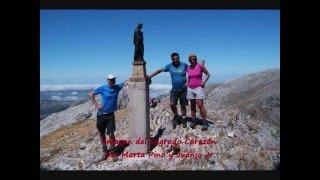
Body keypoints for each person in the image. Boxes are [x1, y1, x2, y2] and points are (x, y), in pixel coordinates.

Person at [88, 74, 128, 161]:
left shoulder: (117, 87)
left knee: (111, 134)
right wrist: (96, 105)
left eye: (114, 79)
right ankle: (105, 151)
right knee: (102, 134)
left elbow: (125, 82)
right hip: (101, 115)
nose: (113, 81)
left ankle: (113, 152)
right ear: (107, 80)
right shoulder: (103, 88)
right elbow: (91, 94)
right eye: (111, 79)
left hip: (110, 115)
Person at [148, 52, 188, 129]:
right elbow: (160, 70)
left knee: (183, 105)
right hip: (174, 89)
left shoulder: (184, 65)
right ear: (172, 59)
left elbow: (191, 72)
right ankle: (176, 115)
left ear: (179, 58)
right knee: (172, 104)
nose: (176, 60)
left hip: (183, 89)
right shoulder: (169, 66)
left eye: (177, 58)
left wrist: (188, 81)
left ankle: (184, 119)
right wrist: (150, 76)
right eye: (174, 59)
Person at [186, 54, 211, 131]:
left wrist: (203, 82)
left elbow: (208, 74)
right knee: (192, 105)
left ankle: (205, 122)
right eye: (191, 59)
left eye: (194, 59)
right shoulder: (188, 68)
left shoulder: (200, 66)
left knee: (200, 105)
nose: (192, 61)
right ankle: (194, 120)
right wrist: (187, 82)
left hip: (198, 88)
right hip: (190, 88)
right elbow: (188, 77)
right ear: (189, 60)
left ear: (196, 60)